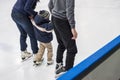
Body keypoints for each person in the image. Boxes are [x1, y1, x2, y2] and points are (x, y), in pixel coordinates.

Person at [48, 0, 78, 77]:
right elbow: (69, 10)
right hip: (62, 21)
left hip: (54, 18)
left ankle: (58, 64)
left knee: (61, 43)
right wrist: (72, 27)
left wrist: (55, 14)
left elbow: (50, 4)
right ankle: (67, 71)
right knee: (72, 49)